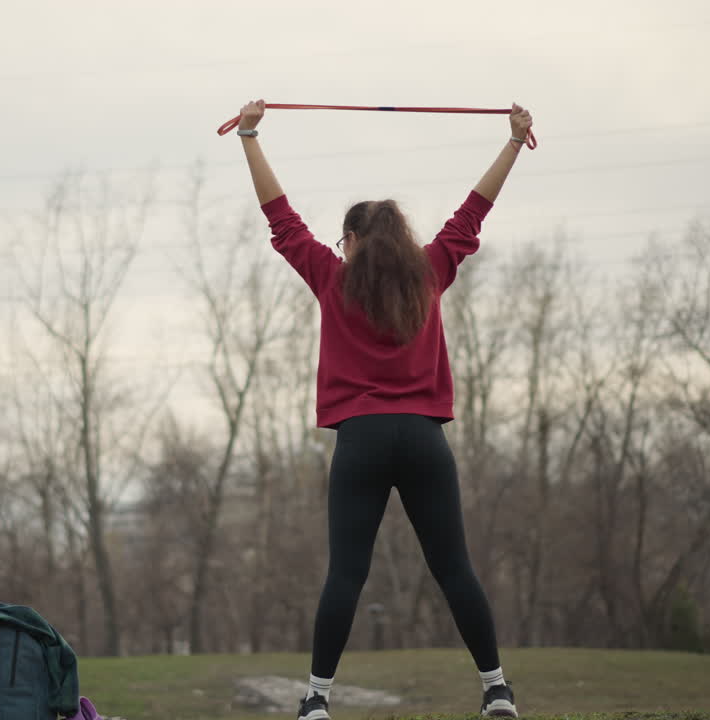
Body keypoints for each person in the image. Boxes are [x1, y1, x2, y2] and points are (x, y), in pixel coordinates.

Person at [235, 98, 533, 719]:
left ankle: (316, 701)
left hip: (361, 442)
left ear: (349, 242)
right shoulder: (429, 270)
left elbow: (280, 218)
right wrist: (512, 142)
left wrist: (250, 135)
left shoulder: (329, 275)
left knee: (347, 573)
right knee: (454, 569)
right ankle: (496, 689)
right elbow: (474, 211)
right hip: (425, 441)